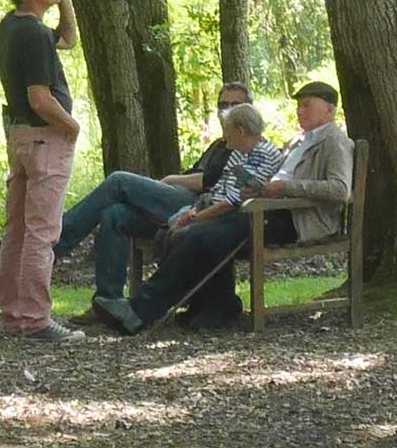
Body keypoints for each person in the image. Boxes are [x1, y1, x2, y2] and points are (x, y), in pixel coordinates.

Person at [127, 81, 355, 332]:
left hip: (296, 219)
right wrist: (258, 187)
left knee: (203, 234)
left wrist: (283, 189)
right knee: (198, 231)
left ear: (329, 111)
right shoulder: (300, 140)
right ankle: (213, 307)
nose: (300, 111)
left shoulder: (335, 142)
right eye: (299, 106)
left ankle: (141, 310)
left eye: (307, 105)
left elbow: (339, 190)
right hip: (266, 207)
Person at [56, 83, 259, 329]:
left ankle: (56, 243)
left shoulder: (249, 146)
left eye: (235, 105)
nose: (226, 110)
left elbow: (210, 182)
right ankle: (107, 301)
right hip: (180, 203)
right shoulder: (218, 145)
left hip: (199, 207)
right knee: (115, 214)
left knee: (118, 181)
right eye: (222, 105)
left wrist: (171, 180)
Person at [88, 102, 281, 333]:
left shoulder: (261, 156)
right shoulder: (239, 152)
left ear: (240, 130)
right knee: (168, 232)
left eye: (228, 132)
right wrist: (195, 210)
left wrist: (198, 217)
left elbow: (232, 202)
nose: (225, 138)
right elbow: (220, 190)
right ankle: (197, 304)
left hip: (242, 217)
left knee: (190, 236)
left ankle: (139, 312)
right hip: (215, 208)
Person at [0, 0, 81, 341]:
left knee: (18, 230)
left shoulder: (12, 27)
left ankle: (13, 314)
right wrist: (71, 125)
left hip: (21, 138)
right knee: (41, 233)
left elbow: (68, 40)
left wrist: (65, 2)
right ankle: (35, 319)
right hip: (46, 138)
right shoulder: (31, 34)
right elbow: (39, 97)